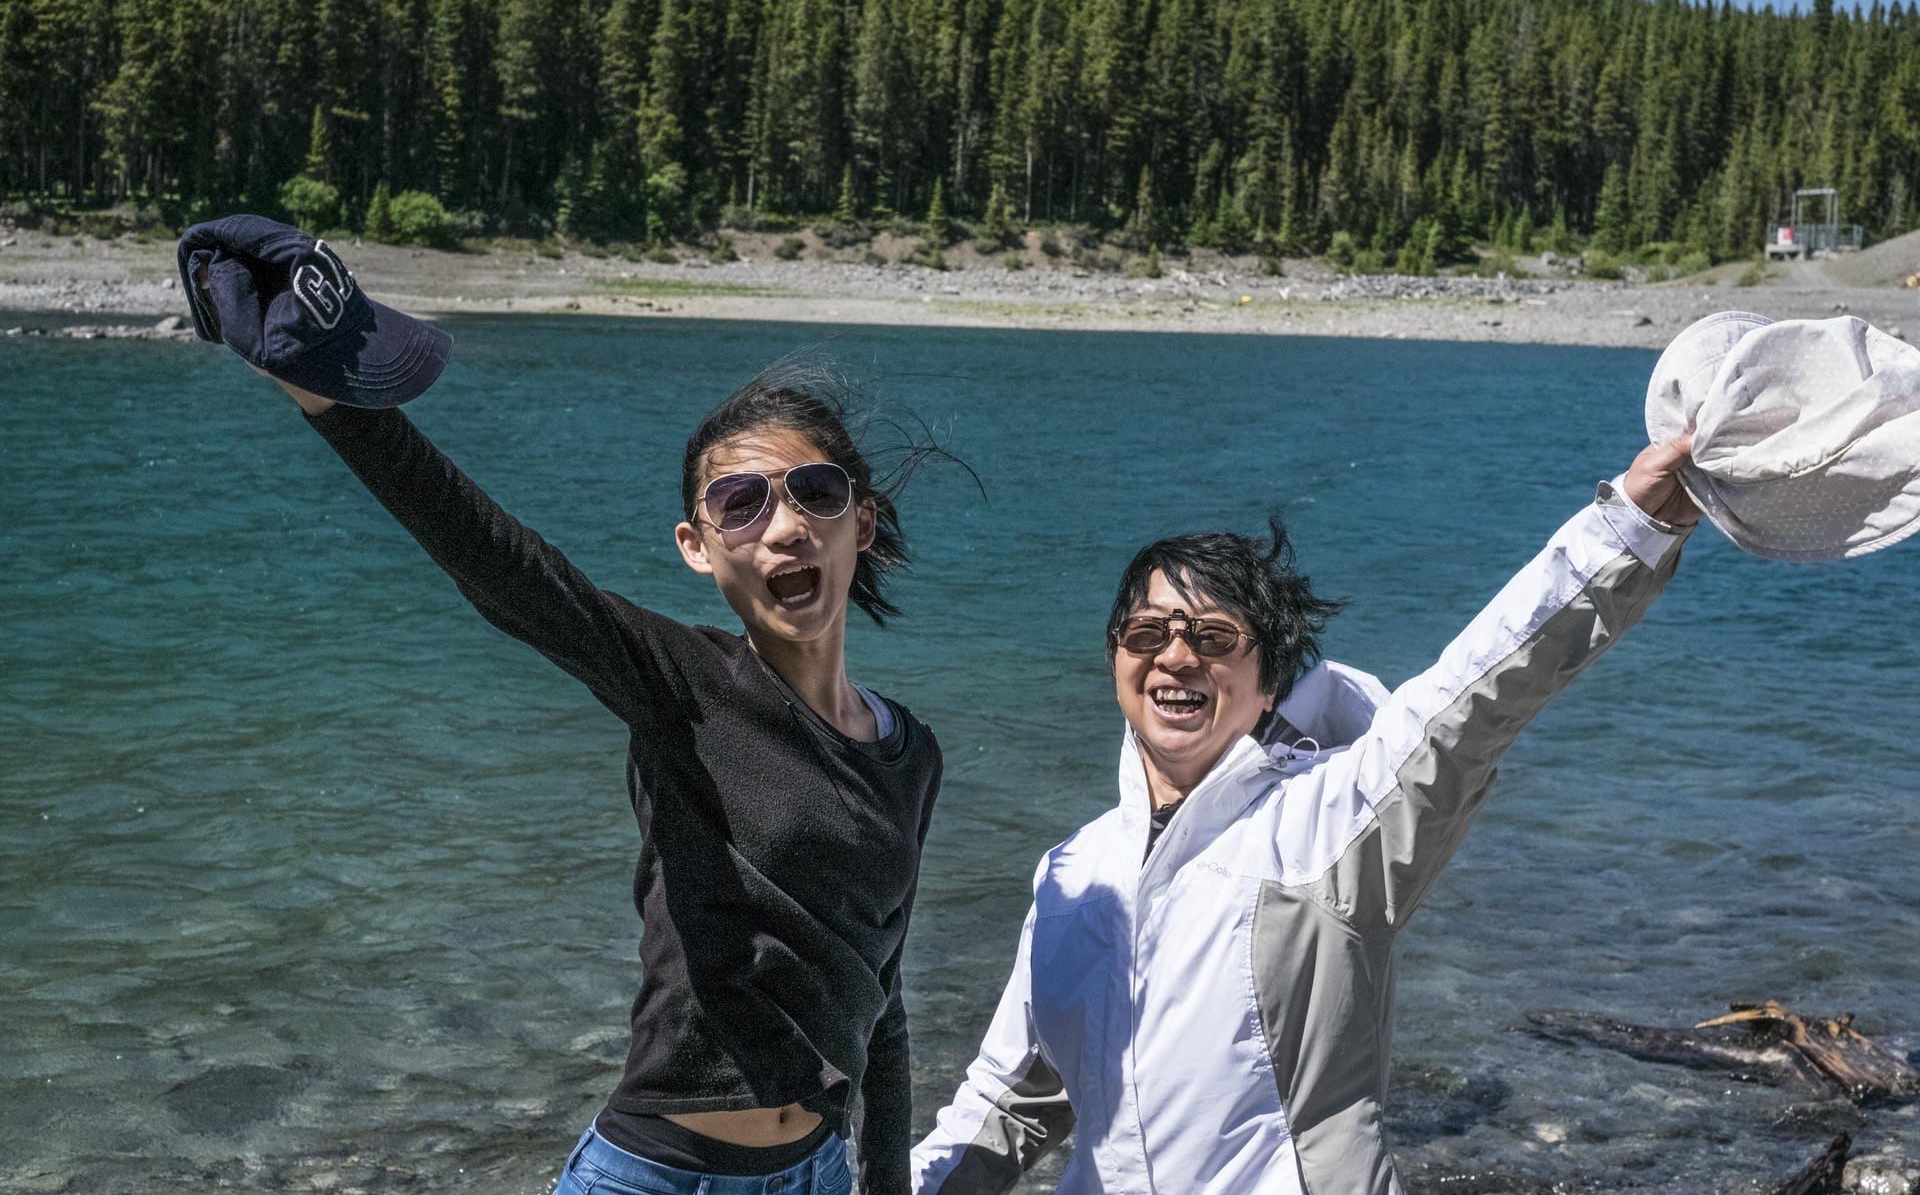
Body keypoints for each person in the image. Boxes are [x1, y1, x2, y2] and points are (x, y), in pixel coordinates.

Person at [186, 233, 944, 1195]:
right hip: (656, 1176)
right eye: (740, 503)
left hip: (815, 1177)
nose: (784, 524)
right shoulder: (679, 684)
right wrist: (329, 395)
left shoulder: (909, 753)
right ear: (697, 549)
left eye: (815, 492)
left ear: (860, 522)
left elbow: (885, 998)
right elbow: (504, 565)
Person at [910, 440, 1701, 1195]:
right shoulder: (1072, 872)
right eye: (1148, 634)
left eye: (1215, 638)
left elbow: (1474, 696)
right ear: (1117, 659)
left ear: (1268, 683)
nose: (1176, 658)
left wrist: (1627, 527)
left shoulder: (1329, 825)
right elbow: (1012, 1098)